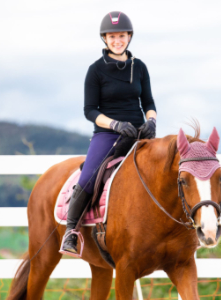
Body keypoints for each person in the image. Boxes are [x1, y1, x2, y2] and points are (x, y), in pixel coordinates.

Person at [60, 11, 157, 254]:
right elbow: (89, 110)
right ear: (105, 38)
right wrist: (114, 125)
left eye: (121, 36)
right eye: (112, 36)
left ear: (129, 37)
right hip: (108, 134)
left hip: (139, 132)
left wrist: (152, 121)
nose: (117, 40)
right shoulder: (95, 70)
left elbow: (149, 102)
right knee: (89, 176)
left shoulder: (140, 67)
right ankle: (71, 232)